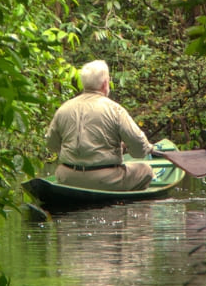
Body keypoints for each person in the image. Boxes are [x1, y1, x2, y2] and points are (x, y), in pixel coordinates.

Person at [45, 60, 157, 191]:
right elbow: (138, 149)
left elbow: (51, 145)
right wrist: (148, 148)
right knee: (146, 170)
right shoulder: (115, 110)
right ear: (105, 84)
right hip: (106, 181)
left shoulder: (64, 109)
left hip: (67, 178)